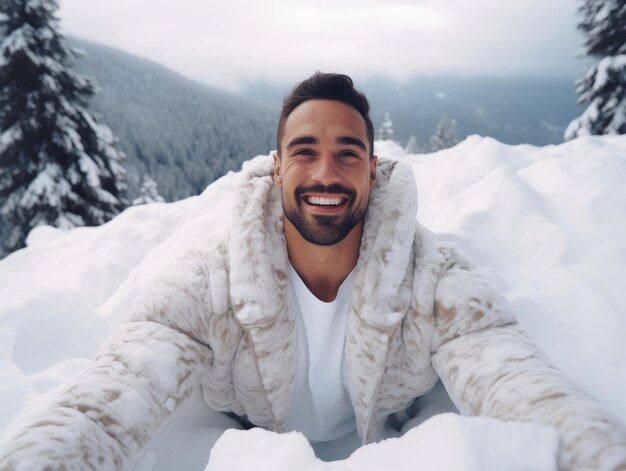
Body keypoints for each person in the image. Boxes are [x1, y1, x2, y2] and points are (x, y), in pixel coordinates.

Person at [1, 72, 625, 470]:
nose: (326, 174)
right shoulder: (208, 280)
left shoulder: (433, 277)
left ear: (373, 170)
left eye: (347, 152)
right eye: (305, 151)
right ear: (276, 169)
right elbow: (111, 398)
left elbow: (519, 383)